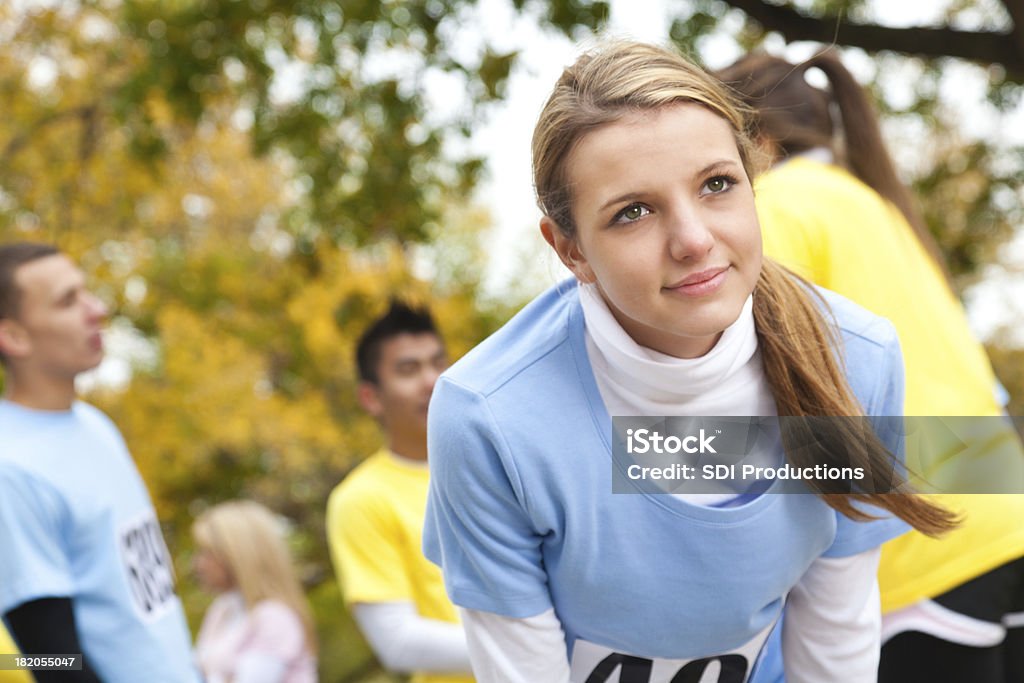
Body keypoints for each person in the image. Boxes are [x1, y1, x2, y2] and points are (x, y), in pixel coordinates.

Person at [422, 40, 957, 683]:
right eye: (633, 213)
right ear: (570, 249)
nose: (694, 240)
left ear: (754, 178)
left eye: (717, 185)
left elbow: (834, 644)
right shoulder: (489, 419)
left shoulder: (856, 361)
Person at [716, 51, 1024, 682]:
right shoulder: (877, 207)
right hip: (1004, 512)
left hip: (925, 543)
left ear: (751, 141)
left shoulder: (774, 209)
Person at [0, 242, 199, 682]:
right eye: (68, 301)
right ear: (13, 336)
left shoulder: (94, 424)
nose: (97, 309)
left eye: (86, 293)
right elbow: (48, 659)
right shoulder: (9, 470)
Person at [325, 302, 473, 683]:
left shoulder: (502, 458)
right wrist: (538, 648)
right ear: (371, 398)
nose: (432, 380)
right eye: (409, 370)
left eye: (438, 362)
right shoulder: (361, 499)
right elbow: (397, 641)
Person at [192, 500, 318, 683]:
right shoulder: (221, 611)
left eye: (206, 552)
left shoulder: (274, 617)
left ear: (234, 554)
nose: (199, 564)